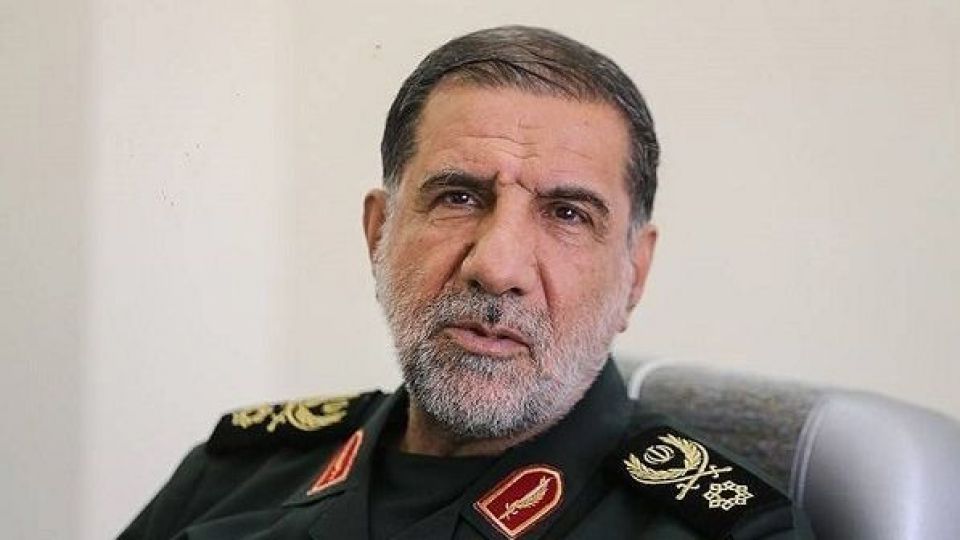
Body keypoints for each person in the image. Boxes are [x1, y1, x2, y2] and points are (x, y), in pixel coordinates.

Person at [120, 26, 812, 539]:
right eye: (458, 197)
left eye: (567, 214)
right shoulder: (233, 474)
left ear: (635, 274)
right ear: (378, 233)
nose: (497, 267)